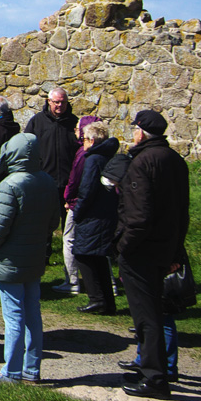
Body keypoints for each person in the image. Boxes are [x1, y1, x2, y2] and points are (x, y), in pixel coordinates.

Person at [115, 110, 189, 399]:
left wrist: (123, 246)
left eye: (135, 129)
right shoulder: (175, 161)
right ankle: (149, 365)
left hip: (142, 250)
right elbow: (182, 211)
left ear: (142, 132)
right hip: (164, 246)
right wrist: (176, 249)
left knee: (147, 316)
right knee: (153, 312)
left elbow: (138, 216)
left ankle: (155, 377)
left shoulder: (142, 162)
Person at [0, 134, 59, 383]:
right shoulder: (46, 181)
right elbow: (54, 221)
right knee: (33, 314)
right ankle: (32, 369)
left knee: (13, 316)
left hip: (10, 259)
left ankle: (12, 371)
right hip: (34, 255)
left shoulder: (10, 184)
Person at [24, 86, 80, 281]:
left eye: (62, 102)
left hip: (68, 183)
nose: (59, 105)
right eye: (56, 102)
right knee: (43, 224)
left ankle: (71, 266)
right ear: (49, 102)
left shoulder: (74, 123)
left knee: (69, 227)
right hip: (44, 181)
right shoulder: (37, 122)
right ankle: (41, 259)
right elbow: (28, 148)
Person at [71, 121, 119, 315]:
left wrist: (78, 211)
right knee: (98, 257)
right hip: (106, 211)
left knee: (83, 254)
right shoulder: (109, 156)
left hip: (93, 213)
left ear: (91, 140)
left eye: (84, 139)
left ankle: (97, 299)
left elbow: (87, 188)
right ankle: (107, 301)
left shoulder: (93, 159)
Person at [58, 115, 102, 295]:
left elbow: (76, 179)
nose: (76, 131)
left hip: (78, 203)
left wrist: (68, 199)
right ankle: (109, 284)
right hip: (93, 203)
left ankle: (72, 280)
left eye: (78, 128)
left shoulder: (84, 154)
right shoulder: (100, 152)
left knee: (69, 238)